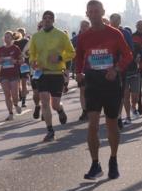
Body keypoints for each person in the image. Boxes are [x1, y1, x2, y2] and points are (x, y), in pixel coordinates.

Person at [74, 0, 133, 180]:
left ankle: (113, 160)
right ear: (87, 14)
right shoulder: (84, 37)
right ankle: (95, 164)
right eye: (90, 12)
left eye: (96, 11)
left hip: (111, 83)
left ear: (103, 12)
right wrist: (78, 73)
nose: (93, 14)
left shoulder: (114, 34)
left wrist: (116, 70)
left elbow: (128, 55)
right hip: (92, 83)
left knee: (111, 124)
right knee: (92, 125)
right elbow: (79, 58)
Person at [27, 10, 75, 142]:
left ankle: (60, 109)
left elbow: (72, 53)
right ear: (42, 20)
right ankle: (50, 130)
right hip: (42, 73)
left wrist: (60, 57)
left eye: (50, 18)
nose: (47, 20)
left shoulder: (61, 35)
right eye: (45, 18)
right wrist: (32, 61)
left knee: (54, 104)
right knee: (44, 101)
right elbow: (32, 53)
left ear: (53, 20)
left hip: (56, 73)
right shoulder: (36, 36)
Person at [109, 13, 135, 129]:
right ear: (110, 21)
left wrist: (121, 63)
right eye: (113, 20)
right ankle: (112, 116)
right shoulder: (105, 33)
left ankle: (118, 116)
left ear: (120, 21)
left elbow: (130, 51)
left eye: (117, 20)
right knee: (107, 94)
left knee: (120, 94)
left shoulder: (125, 33)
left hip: (120, 69)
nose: (115, 22)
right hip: (105, 67)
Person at [0, 30, 24, 120]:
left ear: (12, 38)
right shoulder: (0, 49)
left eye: (8, 37)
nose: (6, 39)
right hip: (3, 75)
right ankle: (10, 113)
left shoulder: (16, 48)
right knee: (7, 95)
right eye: (5, 37)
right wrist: (1, 59)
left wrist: (15, 61)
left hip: (14, 74)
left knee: (15, 94)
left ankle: (15, 104)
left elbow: (22, 60)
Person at [72, 19, 91, 121]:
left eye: (86, 26)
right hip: (81, 68)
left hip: (93, 68)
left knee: (92, 90)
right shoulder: (76, 39)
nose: (84, 28)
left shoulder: (94, 37)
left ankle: (92, 108)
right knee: (83, 90)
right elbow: (70, 51)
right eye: (82, 26)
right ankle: (85, 111)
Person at [14, 28, 31, 108]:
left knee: (23, 83)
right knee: (17, 83)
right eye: (19, 32)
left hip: (25, 65)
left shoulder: (26, 42)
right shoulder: (14, 42)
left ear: (24, 33)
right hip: (16, 65)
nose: (21, 34)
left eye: (22, 32)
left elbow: (30, 52)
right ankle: (21, 95)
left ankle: (23, 100)